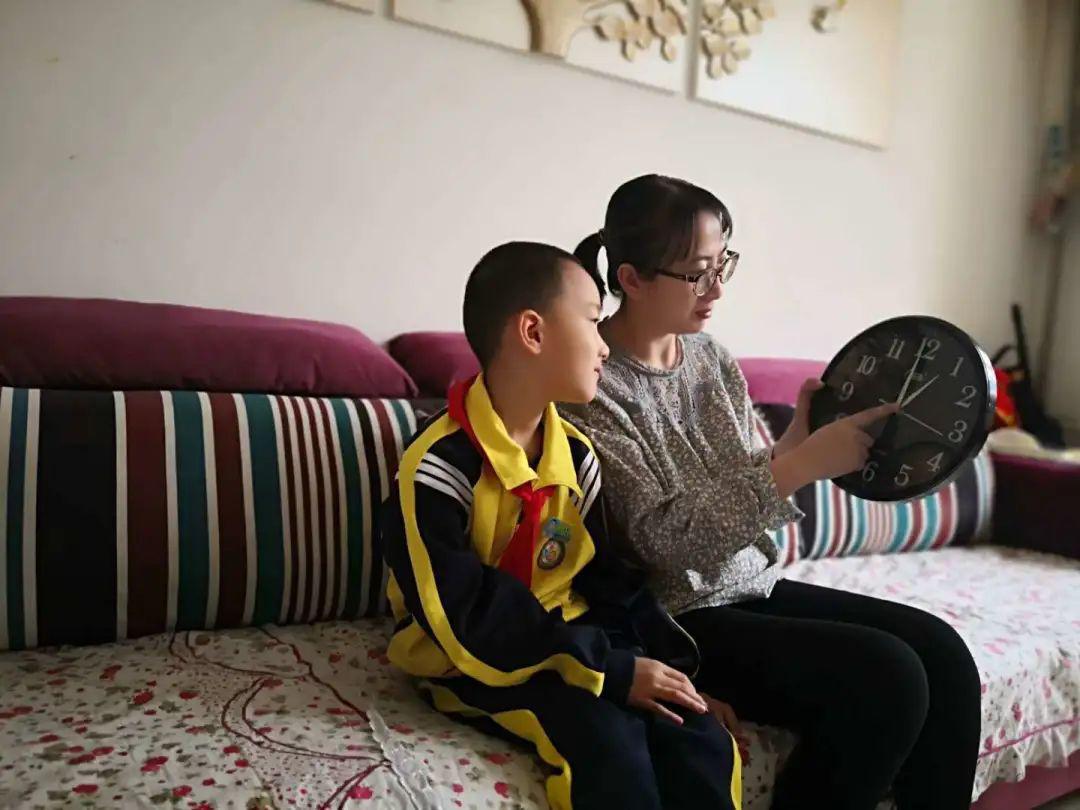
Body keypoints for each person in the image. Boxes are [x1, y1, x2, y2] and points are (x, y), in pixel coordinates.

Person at [562, 175, 983, 810]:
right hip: (675, 618)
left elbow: (736, 481)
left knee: (944, 655)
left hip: (751, 585)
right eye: (697, 273)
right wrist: (797, 467)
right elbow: (660, 541)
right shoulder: (591, 384)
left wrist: (790, 446)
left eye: (722, 265)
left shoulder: (709, 357)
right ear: (632, 279)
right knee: (889, 677)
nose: (717, 288)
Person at [380, 241, 743, 810]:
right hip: (467, 658)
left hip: (570, 640)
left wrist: (668, 672)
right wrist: (609, 670)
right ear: (533, 332)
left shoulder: (575, 455)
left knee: (697, 735)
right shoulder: (436, 467)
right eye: (594, 322)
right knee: (607, 739)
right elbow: (463, 616)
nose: (604, 346)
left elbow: (606, 579)